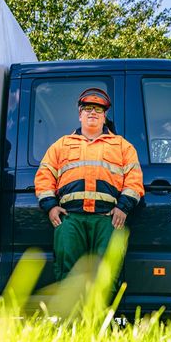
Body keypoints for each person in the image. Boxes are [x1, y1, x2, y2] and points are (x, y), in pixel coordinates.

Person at [34, 88, 144, 282]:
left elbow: (134, 180)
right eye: (87, 108)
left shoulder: (122, 146)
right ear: (80, 115)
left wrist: (123, 207)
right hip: (70, 220)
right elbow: (44, 176)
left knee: (106, 276)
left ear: (104, 117)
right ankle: (72, 314)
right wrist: (50, 206)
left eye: (98, 109)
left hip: (107, 220)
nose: (93, 112)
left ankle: (100, 314)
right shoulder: (62, 144)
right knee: (68, 275)